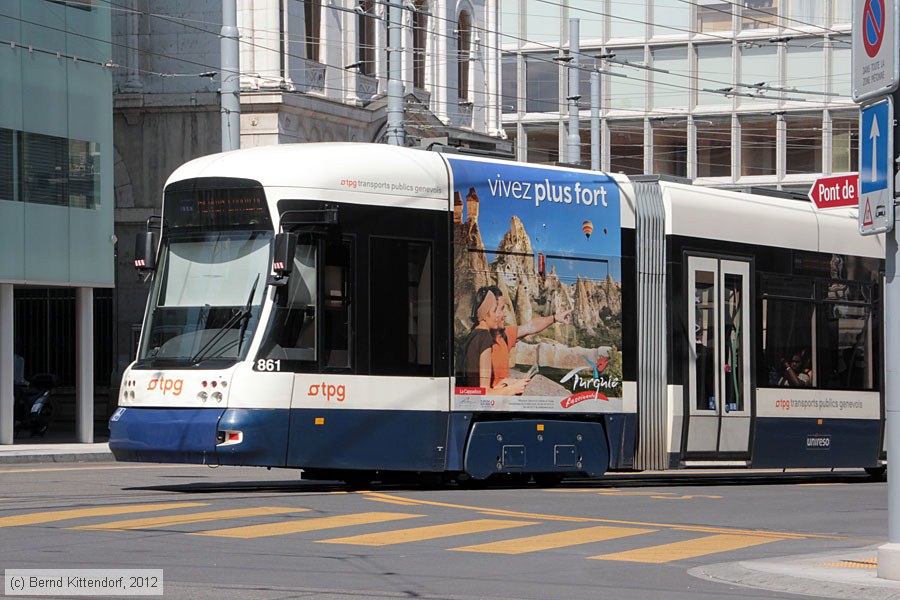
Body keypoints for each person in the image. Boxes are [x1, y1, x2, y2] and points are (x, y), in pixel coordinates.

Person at [488, 285, 572, 392]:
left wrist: (555, 318)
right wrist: (510, 388)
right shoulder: (479, 341)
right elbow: (477, 393)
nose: (505, 314)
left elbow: (530, 327)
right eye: (502, 309)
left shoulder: (503, 334)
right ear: (490, 311)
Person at [459, 286, 529, 395]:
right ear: (484, 314)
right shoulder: (485, 337)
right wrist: (513, 389)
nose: (498, 315)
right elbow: (485, 394)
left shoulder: (473, 335)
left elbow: (476, 389)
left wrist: (503, 384)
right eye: (494, 310)